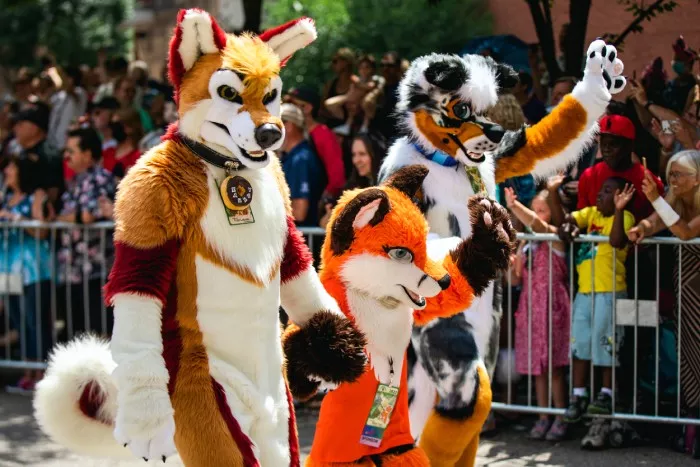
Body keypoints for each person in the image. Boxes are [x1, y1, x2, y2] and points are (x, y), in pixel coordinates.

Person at [628, 151, 700, 444]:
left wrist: (656, 198)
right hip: (686, 291)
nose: (673, 179)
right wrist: (641, 229)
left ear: (697, 178)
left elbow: (684, 232)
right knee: (689, 355)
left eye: (679, 174)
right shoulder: (674, 199)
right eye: (671, 174)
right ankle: (692, 427)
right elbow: (658, 221)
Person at [558, 178, 636, 428]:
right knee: (580, 342)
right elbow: (569, 220)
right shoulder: (591, 213)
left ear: (621, 196)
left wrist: (620, 209)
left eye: (608, 191)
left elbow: (616, 241)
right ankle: (579, 394)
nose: (600, 194)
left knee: (606, 342)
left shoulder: (625, 217)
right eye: (601, 190)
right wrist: (569, 225)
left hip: (609, 292)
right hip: (585, 291)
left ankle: (606, 393)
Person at [505, 183, 570, 441]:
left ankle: (560, 416)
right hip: (531, 308)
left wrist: (515, 207)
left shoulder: (555, 237)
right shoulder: (526, 244)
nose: (537, 215)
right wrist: (511, 264)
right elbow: (514, 280)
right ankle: (543, 416)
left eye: (543, 210)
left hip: (552, 307)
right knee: (538, 368)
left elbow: (538, 225)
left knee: (554, 367)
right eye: (535, 209)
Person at [46, 128, 117, 337]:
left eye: (71, 151)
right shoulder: (75, 181)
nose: (66, 156)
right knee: (78, 331)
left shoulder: (100, 178)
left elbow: (88, 215)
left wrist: (59, 218)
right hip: (73, 271)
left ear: (87, 154)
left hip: (96, 271)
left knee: (100, 330)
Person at [0, 156, 53, 393]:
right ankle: (27, 371)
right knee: (18, 320)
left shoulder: (36, 196)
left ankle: (40, 372)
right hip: (7, 268)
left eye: (11, 167)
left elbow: (41, 231)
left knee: (35, 320)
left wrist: (16, 218)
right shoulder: (5, 198)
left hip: (33, 269)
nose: (7, 171)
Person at [578, 114, 664, 223]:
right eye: (603, 143)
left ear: (630, 146)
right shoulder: (589, 175)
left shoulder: (648, 180)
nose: (606, 149)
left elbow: (660, 220)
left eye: (613, 144)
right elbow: (581, 219)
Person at [285, 86, 346, 198]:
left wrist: (323, 201)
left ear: (307, 108)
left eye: (292, 104)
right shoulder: (288, 133)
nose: (287, 108)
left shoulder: (323, 134)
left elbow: (337, 178)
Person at [318, 134, 382, 229]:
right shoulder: (353, 186)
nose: (356, 160)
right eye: (354, 155)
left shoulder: (387, 185)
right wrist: (330, 215)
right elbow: (324, 223)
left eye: (362, 154)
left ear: (374, 155)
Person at [279, 103, 324, 226]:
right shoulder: (292, 157)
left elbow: (299, 212)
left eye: (275, 126)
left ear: (288, 126)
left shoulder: (300, 159)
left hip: (303, 234)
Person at [11, 102, 64, 205]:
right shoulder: (21, 152)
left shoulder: (49, 155)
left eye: (20, 124)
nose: (15, 128)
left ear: (34, 128)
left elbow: (52, 193)